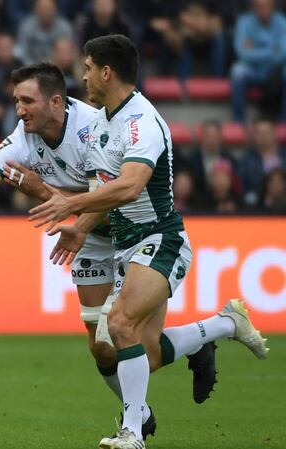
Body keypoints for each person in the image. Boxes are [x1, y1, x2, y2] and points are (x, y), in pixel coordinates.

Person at [0, 61, 226, 440]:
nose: (19, 109)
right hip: (88, 234)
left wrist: (48, 196)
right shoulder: (23, 138)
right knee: (102, 350)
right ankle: (140, 410)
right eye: (16, 101)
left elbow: (115, 193)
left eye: (27, 101)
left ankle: (143, 411)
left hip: (130, 231)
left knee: (133, 340)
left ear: (57, 102)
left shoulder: (96, 127)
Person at [29, 34, 269, 449]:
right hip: (127, 248)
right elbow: (105, 192)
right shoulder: (102, 122)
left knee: (119, 324)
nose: (82, 76)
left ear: (107, 72)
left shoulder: (142, 122)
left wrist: (70, 202)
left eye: (87, 68)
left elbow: (129, 186)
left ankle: (132, 433)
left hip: (160, 239)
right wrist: (82, 225)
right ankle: (225, 323)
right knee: (144, 352)